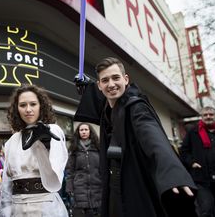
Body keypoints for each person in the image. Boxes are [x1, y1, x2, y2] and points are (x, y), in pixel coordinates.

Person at [74, 57, 197, 217]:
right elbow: (103, 101)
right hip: (113, 189)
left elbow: (153, 136)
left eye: (116, 78)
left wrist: (171, 172)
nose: (111, 84)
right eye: (105, 80)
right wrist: (87, 87)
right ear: (99, 85)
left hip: (134, 188)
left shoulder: (136, 107)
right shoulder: (109, 107)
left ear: (126, 80)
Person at [0, 84, 69, 216]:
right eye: (23, 105)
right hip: (17, 208)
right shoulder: (12, 141)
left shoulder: (53, 130)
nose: (28, 109)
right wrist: (4, 208)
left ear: (41, 106)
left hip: (46, 206)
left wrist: (46, 141)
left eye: (33, 104)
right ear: (17, 109)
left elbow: (57, 164)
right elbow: (7, 182)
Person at [179, 106, 215, 217]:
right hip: (201, 178)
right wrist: (192, 162)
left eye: (211, 114)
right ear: (201, 117)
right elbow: (184, 151)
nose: (208, 117)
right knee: (206, 209)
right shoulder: (193, 132)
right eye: (205, 115)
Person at [66, 122, 102, 217]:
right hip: (79, 188)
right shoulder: (74, 149)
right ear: (78, 132)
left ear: (90, 132)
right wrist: (69, 187)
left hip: (97, 187)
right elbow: (70, 170)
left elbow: (103, 168)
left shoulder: (98, 148)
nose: (84, 132)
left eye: (86, 130)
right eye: (81, 130)